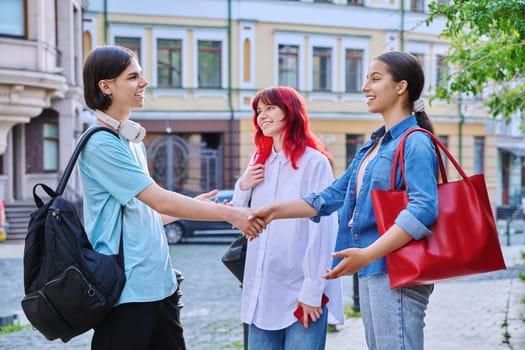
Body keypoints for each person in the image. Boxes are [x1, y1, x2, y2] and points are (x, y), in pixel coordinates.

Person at [248, 51, 439, 350]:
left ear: (401, 87)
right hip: (372, 269)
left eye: (375, 79)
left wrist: (369, 253)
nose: (365, 87)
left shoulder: (415, 140)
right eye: (366, 79)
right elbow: (330, 197)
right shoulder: (374, 144)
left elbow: (423, 208)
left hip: (396, 271)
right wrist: (274, 211)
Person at [79, 45, 264, 350]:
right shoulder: (101, 143)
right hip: (127, 292)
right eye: (133, 76)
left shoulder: (130, 138)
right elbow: (160, 200)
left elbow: (146, 214)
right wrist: (231, 215)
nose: (144, 82)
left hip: (159, 286)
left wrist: (197, 207)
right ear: (106, 86)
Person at [232, 86, 344, 350]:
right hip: (262, 287)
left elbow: (324, 229)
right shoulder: (258, 161)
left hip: (300, 290)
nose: (262, 116)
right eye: (259, 111)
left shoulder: (314, 163)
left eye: (270, 108)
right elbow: (238, 218)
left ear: (290, 112)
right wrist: (243, 184)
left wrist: (312, 290)